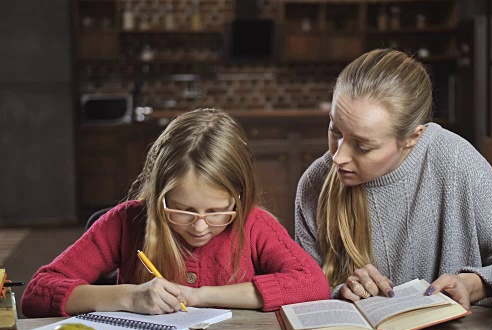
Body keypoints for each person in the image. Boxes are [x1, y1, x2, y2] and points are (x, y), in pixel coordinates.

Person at [22, 108, 330, 317]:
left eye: (216, 211)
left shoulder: (254, 224)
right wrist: (129, 298)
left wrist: (200, 296)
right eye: (182, 211)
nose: (199, 227)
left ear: (239, 197)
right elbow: (37, 294)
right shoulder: (125, 223)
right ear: (158, 196)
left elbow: (313, 283)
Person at [295, 49, 492, 310]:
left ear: (412, 138)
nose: (338, 158)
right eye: (334, 131)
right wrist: (341, 292)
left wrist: (473, 284)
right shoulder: (314, 183)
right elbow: (304, 286)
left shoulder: (455, 159)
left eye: (362, 146)